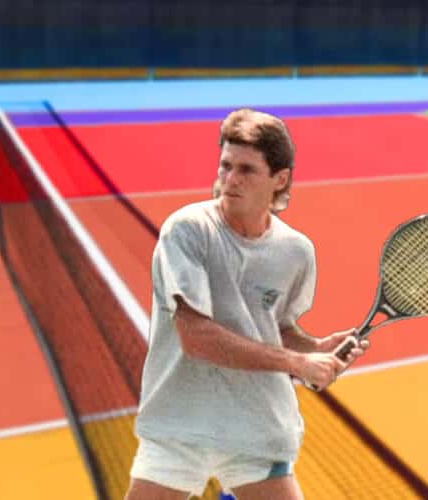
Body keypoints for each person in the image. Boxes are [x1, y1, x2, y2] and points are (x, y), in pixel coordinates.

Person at [125, 108, 369, 500]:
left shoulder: (295, 252)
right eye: (226, 165)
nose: (230, 179)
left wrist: (314, 347)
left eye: (246, 170)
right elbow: (196, 337)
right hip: (181, 424)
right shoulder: (189, 231)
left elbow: (274, 328)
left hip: (254, 427)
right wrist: (297, 363)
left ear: (280, 179)